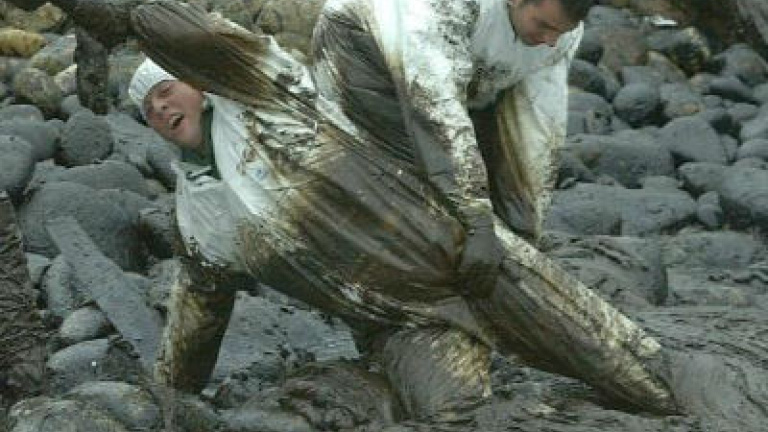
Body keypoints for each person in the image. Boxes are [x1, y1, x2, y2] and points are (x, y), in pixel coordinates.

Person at [119, 0, 685, 423]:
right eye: (147, 108)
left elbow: (179, 28)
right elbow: (199, 314)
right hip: (399, 321)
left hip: (458, 254)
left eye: (165, 89)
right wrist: (167, 396)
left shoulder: (267, 95)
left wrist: (127, 17)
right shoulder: (197, 220)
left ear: (202, 82)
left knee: (635, 371)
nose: (160, 107)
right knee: (451, 412)